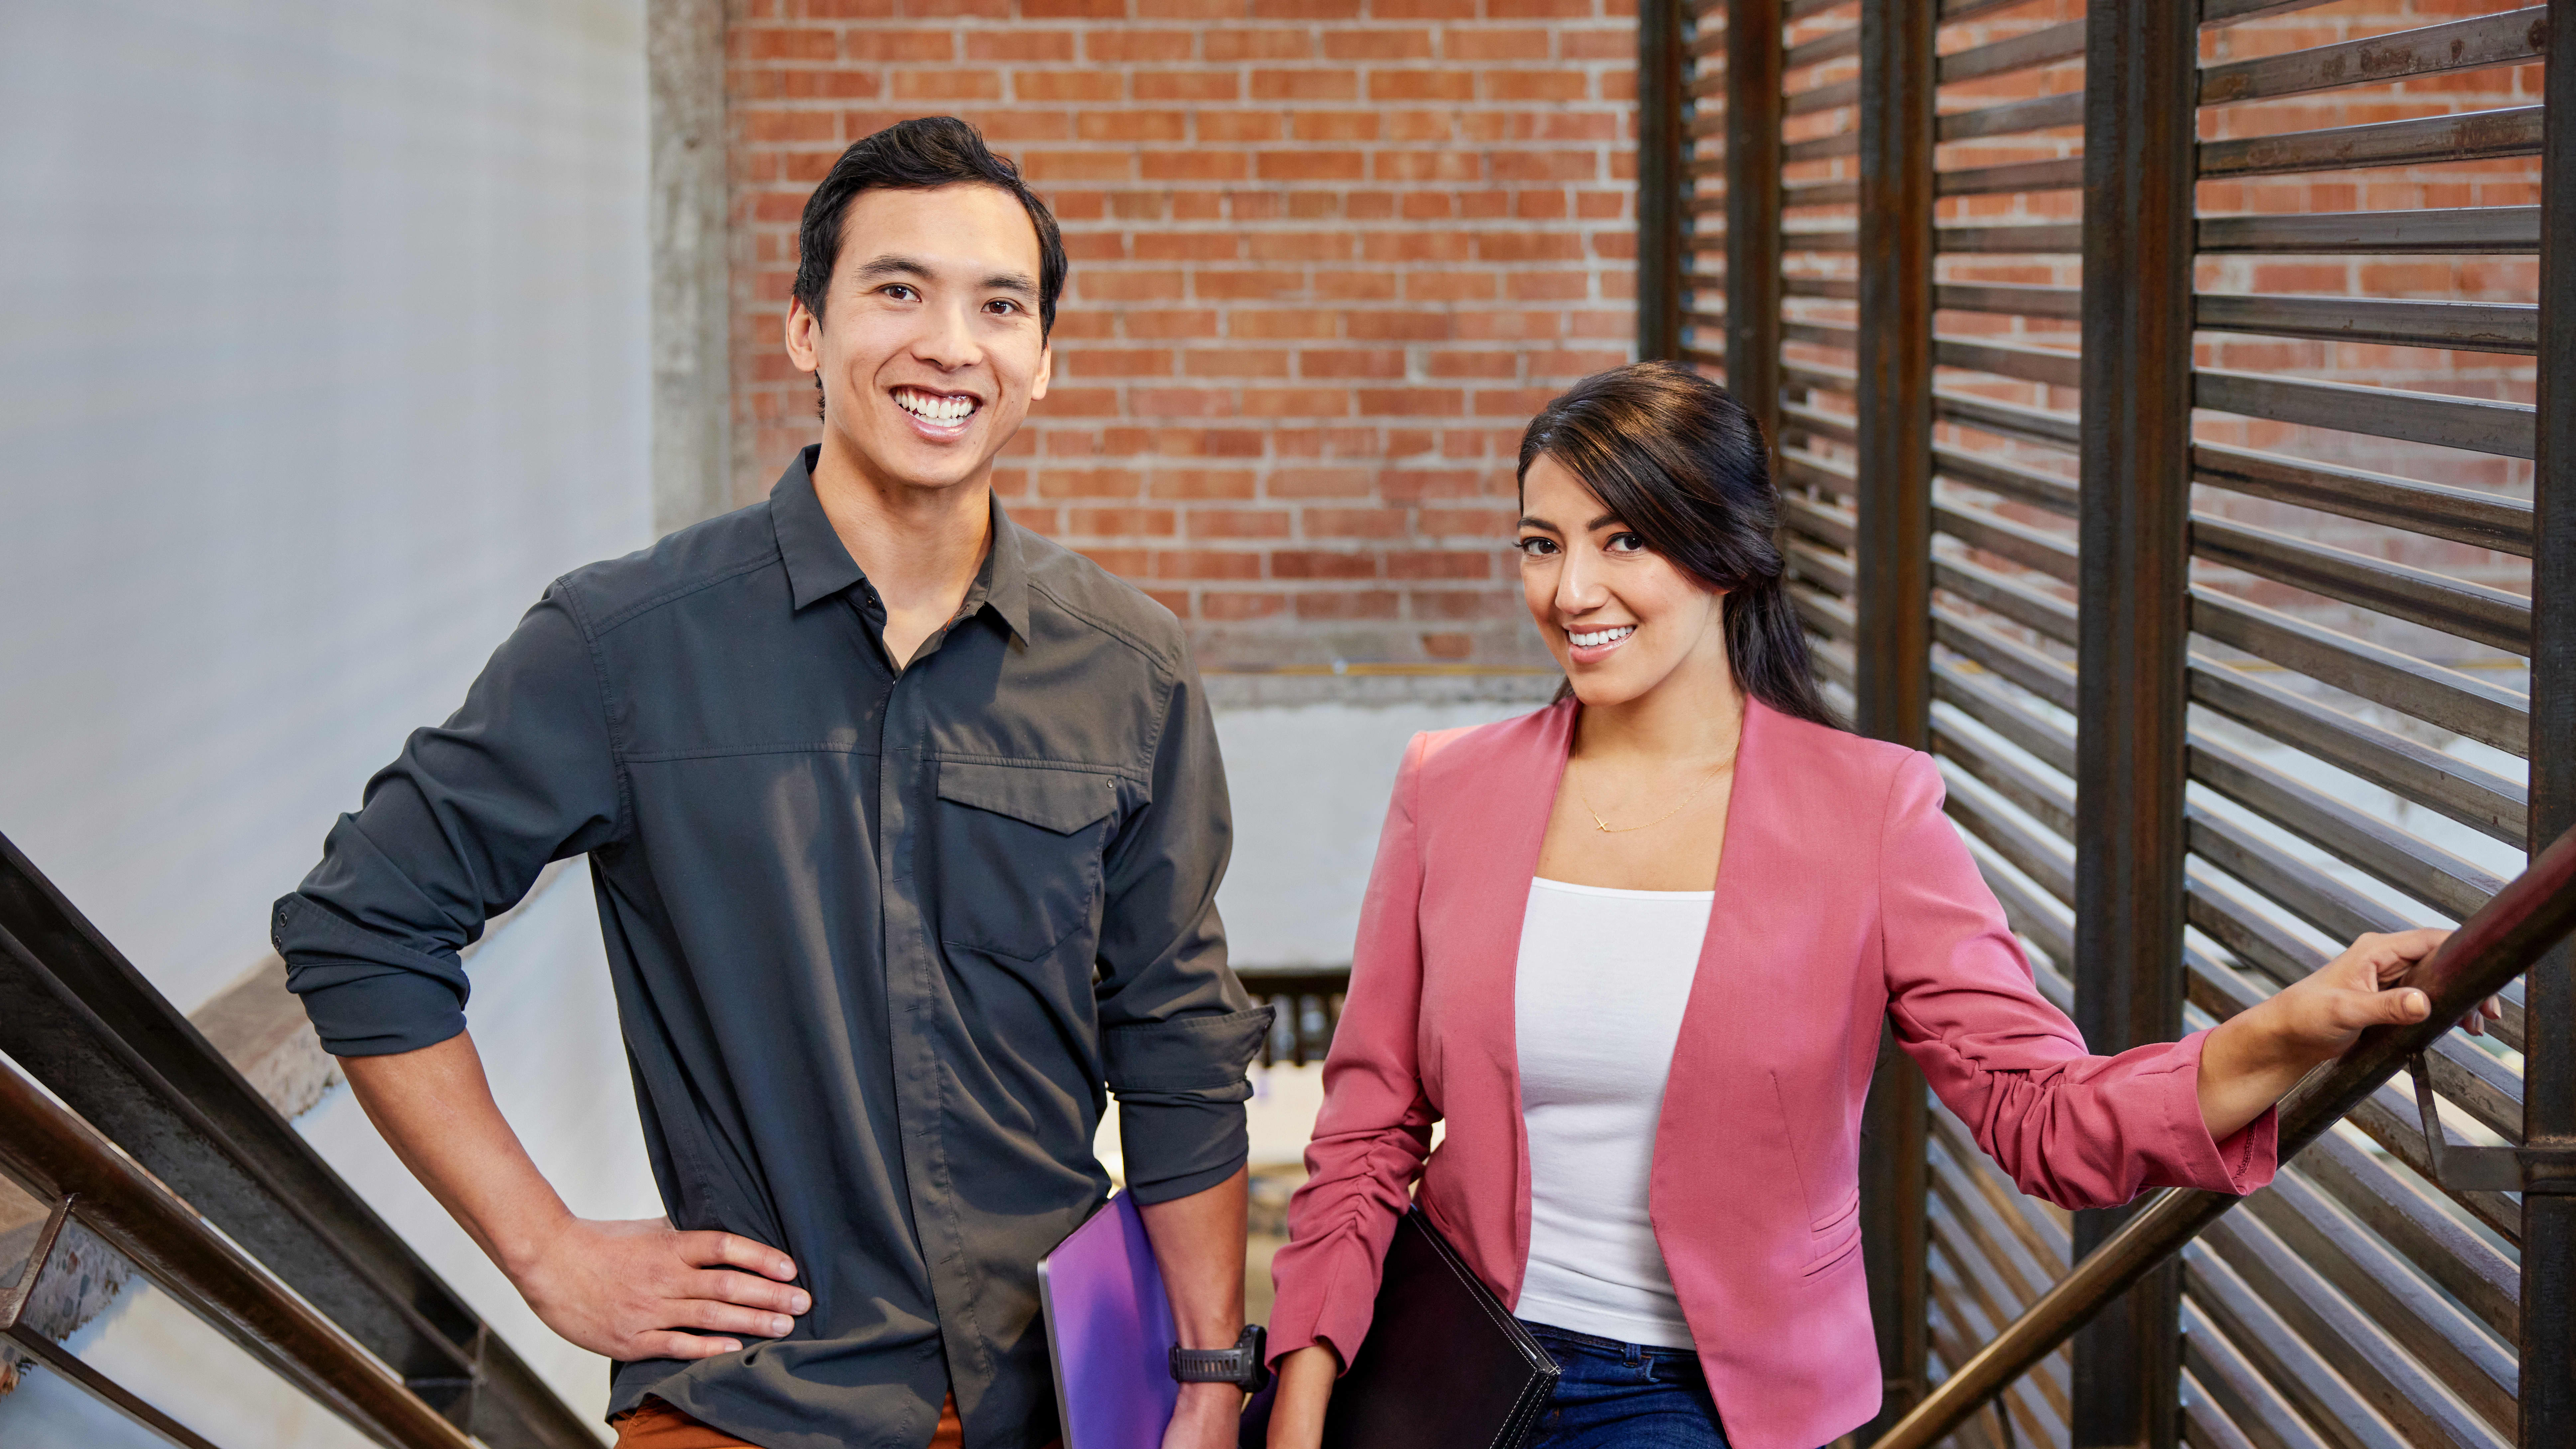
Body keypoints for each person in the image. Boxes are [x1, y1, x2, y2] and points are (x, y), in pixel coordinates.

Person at [271, 117, 1271, 1449]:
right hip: (755, 1401)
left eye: (998, 306)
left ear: (1042, 361)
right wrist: (549, 1251)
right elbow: (360, 922)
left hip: (1067, 1397)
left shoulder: (1126, 668)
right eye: (896, 290)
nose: (948, 345)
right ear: (806, 327)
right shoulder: (621, 645)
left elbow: (1177, 1039)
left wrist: (1205, 1373)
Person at [1259, 362, 2483, 1449]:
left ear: (1725, 551)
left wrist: (2286, 1029)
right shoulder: (1449, 788)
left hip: (1694, 1400)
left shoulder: (1869, 814)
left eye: (1622, 539)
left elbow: (2041, 1117)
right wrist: (1306, 1383)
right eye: (1541, 543)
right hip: (1451, 1366)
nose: (1572, 588)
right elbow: (1369, 1127)